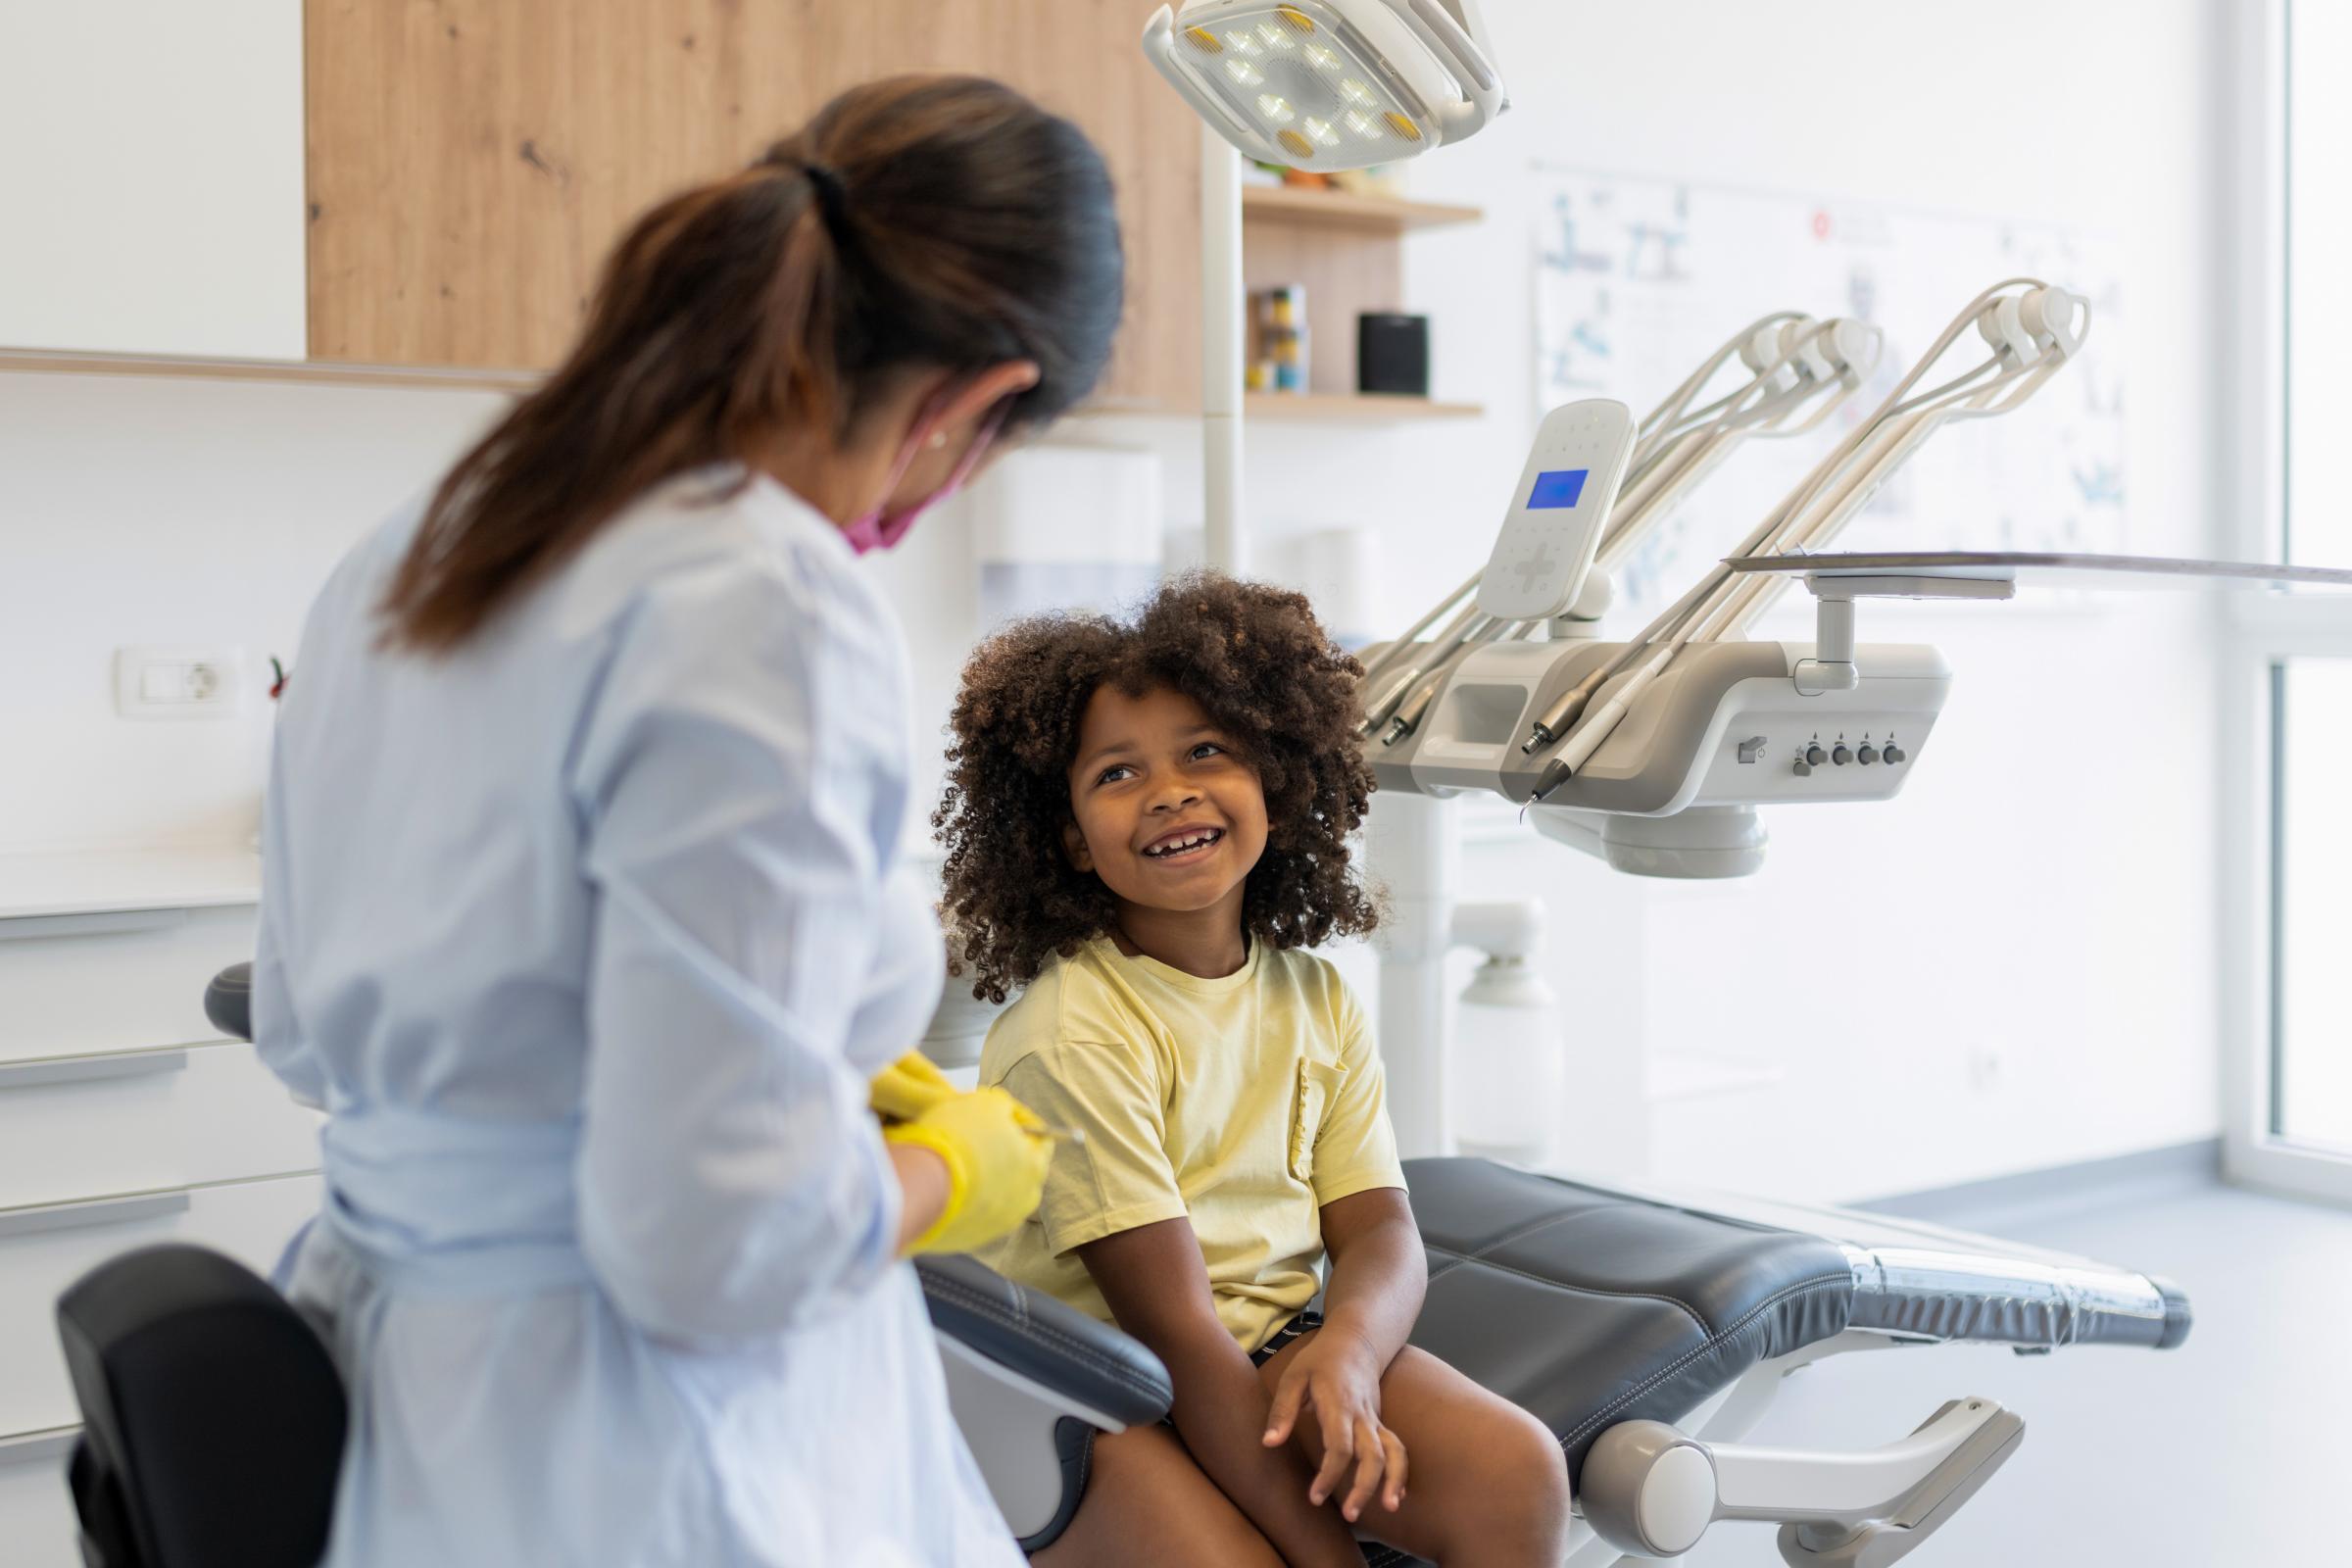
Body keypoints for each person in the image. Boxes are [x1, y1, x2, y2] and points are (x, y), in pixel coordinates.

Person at [250, 75, 1121, 1566]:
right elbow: (709, 1251)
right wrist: (951, 1167)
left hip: (423, 1399)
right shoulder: (764, 599)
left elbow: (302, 1029)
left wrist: (778, 1063)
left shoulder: (423, 540)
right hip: (659, 1455)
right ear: (973, 404)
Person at [935, 576, 1574, 1567]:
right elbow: (1180, 1336)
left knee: (1516, 1471)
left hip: (1272, 1345)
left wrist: (1349, 1353)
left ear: (1274, 778)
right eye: (1116, 773)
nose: (1170, 791)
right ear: (1067, 836)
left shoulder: (1313, 999)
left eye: (1205, 751)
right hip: (1092, 1390)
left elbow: (1382, 1233)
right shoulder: (1074, 1034)